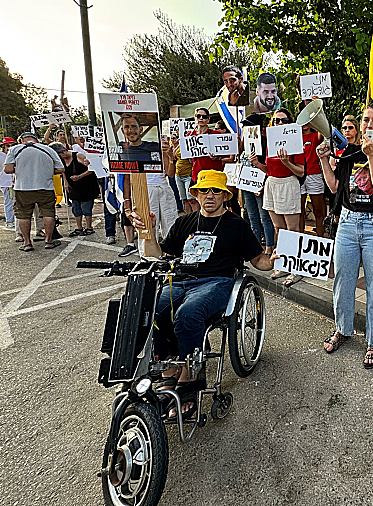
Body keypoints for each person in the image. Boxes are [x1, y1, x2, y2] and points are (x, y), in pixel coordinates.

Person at [131, 169, 277, 418]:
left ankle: (191, 375)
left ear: (225, 196)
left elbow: (258, 260)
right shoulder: (184, 222)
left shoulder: (237, 225)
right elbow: (157, 254)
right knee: (147, 310)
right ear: (196, 194)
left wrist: (274, 261)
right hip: (180, 280)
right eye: (204, 191)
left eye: (216, 191)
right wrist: (150, 231)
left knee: (188, 314)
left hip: (217, 282)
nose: (210, 195)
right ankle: (169, 367)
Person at [317, 103, 373, 368]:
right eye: (366, 120)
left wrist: (372, 156)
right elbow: (334, 187)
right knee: (343, 282)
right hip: (347, 223)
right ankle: (343, 329)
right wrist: (323, 160)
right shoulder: (349, 151)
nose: (369, 125)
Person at [250, 108, 305, 286]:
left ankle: (296, 268)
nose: (280, 123)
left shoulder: (295, 142)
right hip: (272, 184)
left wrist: (286, 162)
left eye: (283, 120)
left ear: (289, 123)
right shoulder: (270, 142)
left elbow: (301, 171)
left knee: (292, 229)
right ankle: (283, 264)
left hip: (288, 184)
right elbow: (269, 169)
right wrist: (257, 164)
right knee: (278, 228)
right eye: (276, 120)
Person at [4, 132, 65, 251]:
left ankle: (27, 243)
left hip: (23, 188)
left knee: (23, 215)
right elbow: (60, 169)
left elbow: (8, 169)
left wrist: (22, 169)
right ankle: (48, 241)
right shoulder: (48, 149)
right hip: (45, 187)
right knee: (48, 213)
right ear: (36, 140)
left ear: (21, 140)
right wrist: (45, 171)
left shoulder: (14, 149)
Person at [240, 114, 275, 253]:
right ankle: (256, 244)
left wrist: (263, 184)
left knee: (264, 216)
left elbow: (269, 168)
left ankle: (269, 245)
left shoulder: (266, 143)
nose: (245, 128)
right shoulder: (244, 143)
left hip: (260, 185)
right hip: (247, 184)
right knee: (252, 215)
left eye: (248, 126)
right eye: (244, 126)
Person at [50, 142, 100, 236]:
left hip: (86, 184)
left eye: (60, 155)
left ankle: (89, 227)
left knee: (86, 207)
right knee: (76, 207)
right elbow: (63, 171)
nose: (60, 157)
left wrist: (79, 176)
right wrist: (65, 182)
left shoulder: (78, 156)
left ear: (64, 151)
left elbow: (91, 168)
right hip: (73, 186)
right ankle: (79, 227)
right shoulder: (62, 160)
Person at [186, 107, 229, 211]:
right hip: (197, 174)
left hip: (214, 174)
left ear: (208, 120)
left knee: (215, 202)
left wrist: (217, 157)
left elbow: (226, 154)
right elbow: (189, 159)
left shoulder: (216, 134)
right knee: (197, 201)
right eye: (198, 116)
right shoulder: (189, 136)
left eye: (204, 117)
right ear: (195, 118)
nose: (201, 118)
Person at [301, 106, 326, 237]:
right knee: (299, 212)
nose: (305, 124)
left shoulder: (315, 136)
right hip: (298, 176)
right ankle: (299, 240)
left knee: (318, 211)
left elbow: (324, 129)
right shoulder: (293, 137)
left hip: (314, 175)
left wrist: (318, 109)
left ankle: (321, 239)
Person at [171, 132, 194, 213]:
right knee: (184, 199)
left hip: (188, 175)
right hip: (178, 175)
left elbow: (191, 161)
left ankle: (194, 216)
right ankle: (188, 217)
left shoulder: (188, 146)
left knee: (191, 199)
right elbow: (173, 157)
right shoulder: (178, 146)